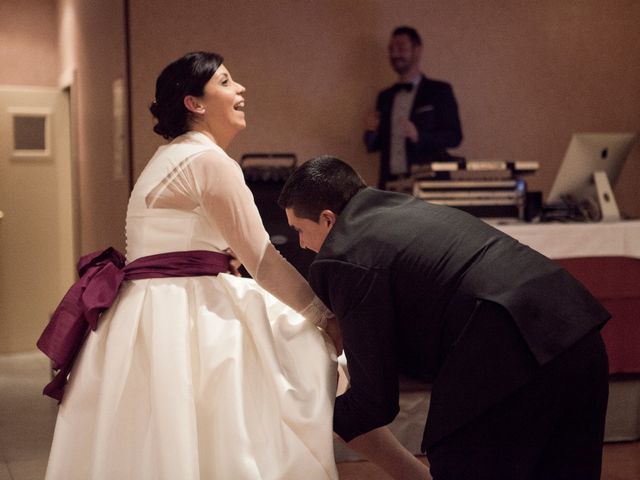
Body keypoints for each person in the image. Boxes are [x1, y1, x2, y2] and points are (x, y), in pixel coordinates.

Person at [38, 51, 341, 479]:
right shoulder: (209, 161)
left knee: (155, 439)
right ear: (194, 104)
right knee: (303, 354)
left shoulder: (167, 157)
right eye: (225, 82)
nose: (240, 90)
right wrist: (325, 319)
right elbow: (264, 262)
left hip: (141, 312)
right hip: (183, 313)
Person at [278, 155, 611, 480]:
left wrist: (302, 420)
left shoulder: (344, 256)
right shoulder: (401, 209)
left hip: (510, 357)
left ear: (327, 219)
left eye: (301, 230)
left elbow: (374, 401)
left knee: (458, 463)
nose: (303, 244)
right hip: (578, 330)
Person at [364, 26, 463, 188]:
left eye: (401, 48)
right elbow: (376, 146)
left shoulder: (439, 91)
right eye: (391, 49)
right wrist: (371, 132)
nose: (395, 54)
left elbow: (454, 136)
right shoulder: (385, 96)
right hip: (390, 186)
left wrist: (419, 136)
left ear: (417, 50)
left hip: (428, 184)